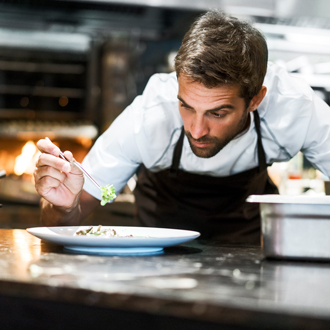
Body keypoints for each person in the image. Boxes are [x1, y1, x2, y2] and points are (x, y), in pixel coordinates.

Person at [34, 10, 330, 245]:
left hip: (247, 248)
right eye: (186, 106)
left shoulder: (295, 108)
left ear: (255, 100)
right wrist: (63, 207)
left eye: (218, 113)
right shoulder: (148, 116)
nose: (197, 130)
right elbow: (65, 221)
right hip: (158, 251)